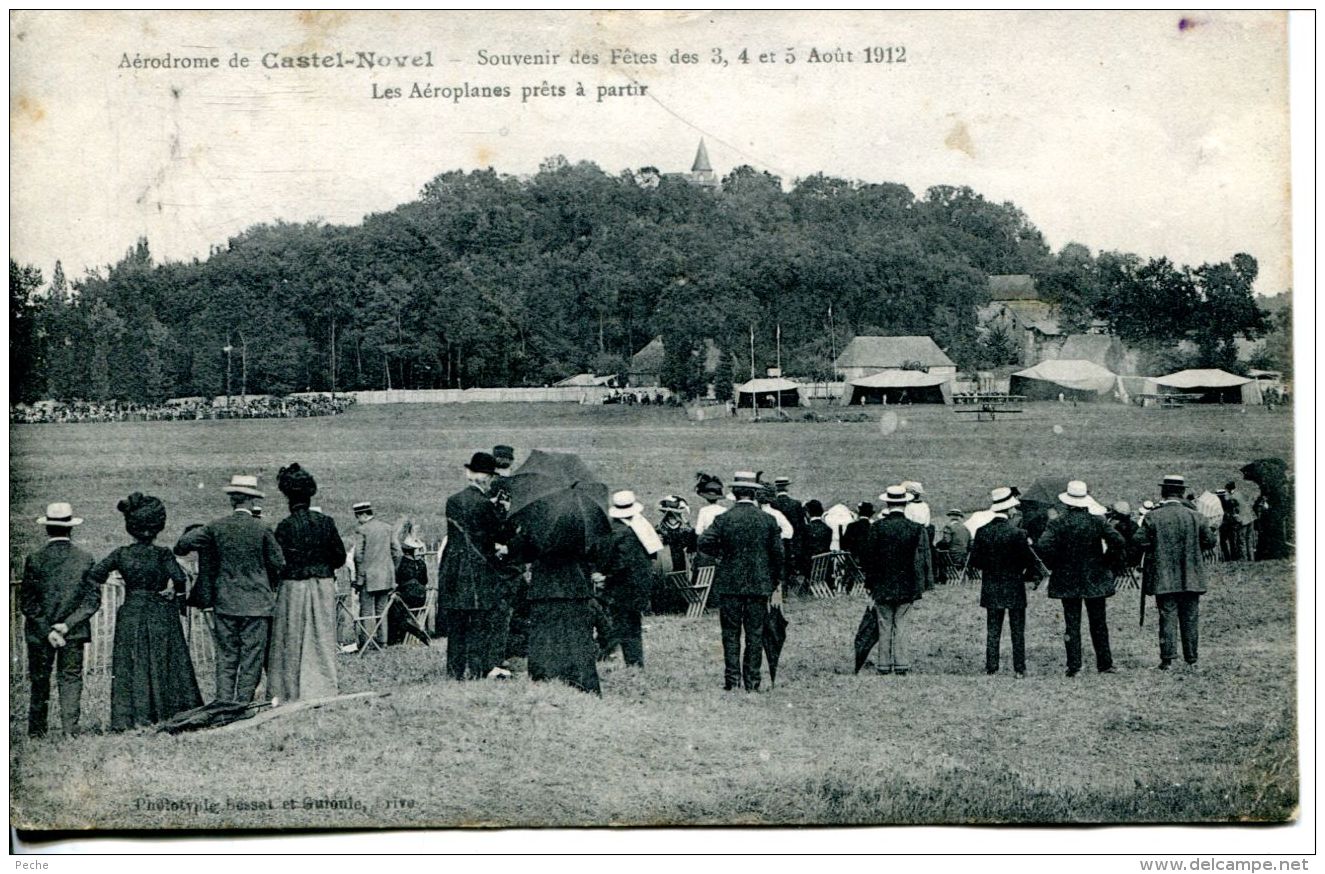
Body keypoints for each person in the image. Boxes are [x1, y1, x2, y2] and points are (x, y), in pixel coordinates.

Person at [88, 493, 202, 729]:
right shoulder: (162, 554)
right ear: (158, 526)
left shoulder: (121, 554)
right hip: (160, 612)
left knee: (133, 664)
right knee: (163, 661)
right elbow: (180, 579)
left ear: (130, 526)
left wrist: (117, 582)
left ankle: (131, 719)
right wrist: (171, 591)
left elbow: (96, 574)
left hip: (131, 611)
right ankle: (165, 712)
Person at [175, 475, 286, 704]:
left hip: (225, 602)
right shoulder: (262, 528)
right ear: (252, 500)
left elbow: (182, 545)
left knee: (226, 656)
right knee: (251, 658)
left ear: (231, 500)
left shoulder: (216, 527)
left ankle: (223, 703)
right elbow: (279, 564)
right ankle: (242, 703)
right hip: (257, 604)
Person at [697, 471, 783, 691]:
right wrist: (773, 580)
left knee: (730, 634)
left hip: (729, 583)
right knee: (755, 634)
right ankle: (752, 682)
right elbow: (778, 555)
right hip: (759, 584)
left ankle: (732, 680)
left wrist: (721, 555)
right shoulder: (768, 519)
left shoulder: (723, 519)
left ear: (734, 493)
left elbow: (704, 542)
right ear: (755, 493)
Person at [20, 503, 99, 737]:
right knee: (70, 678)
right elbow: (92, 600)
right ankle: (70, 730)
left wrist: (48, 630)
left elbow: (27, 602)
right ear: (70, 529)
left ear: (47, 529)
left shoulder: (34, 559)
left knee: (39, 679)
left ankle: (36, 731)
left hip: (40, 633)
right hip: (73, 632)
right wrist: (67, 625)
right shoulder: (84, 558)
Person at [269, 464, 346, 701]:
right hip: (322, 584)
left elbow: (277, 561)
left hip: (293, 586)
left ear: (287, 497)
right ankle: (321, 686)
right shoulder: (326, 522)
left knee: (291, 637)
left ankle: (290, 689)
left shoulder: (284, 526)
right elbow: (340, 557)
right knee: (321, 636)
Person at [1035, 480, 1124, 677]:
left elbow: (1042, 546)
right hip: (1095, 577)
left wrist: (1057, 562)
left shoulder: (1057, 523)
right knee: (1099, 622)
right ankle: (1105, 663)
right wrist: (1105, 562)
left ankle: (1074, 665)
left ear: (1067, 502)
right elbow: (1118, 542)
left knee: (1072, 623)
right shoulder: (1098, 521)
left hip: (1067, 578)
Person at [437, 452, 512, 680]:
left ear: (469, 474)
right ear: (488, 478)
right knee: (478, 621)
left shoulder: (453, 500)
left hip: (453, 567)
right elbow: (496, 536)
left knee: (457, 623)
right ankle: (476, 670)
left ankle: (455, 671)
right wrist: (503, 512)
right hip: (477, 569)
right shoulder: (484, 505)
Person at [1134, 475, 1217, 670]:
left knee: (1167, 616)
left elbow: (1139, 540)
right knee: (1190, 618)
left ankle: (1167, 660)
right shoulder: (1196, 516)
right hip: (1192, 576)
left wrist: (1155, 546)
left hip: (1163, 577)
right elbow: (1210, 541)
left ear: (1163, 493)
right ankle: (1192, 659)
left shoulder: (1153, 516)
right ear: (1181, 493)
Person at [860, 486, 933, 676]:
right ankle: (901, 663)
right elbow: (921, 559)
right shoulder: (915, 528)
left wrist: (870, 584)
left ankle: (883, 664)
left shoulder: (877, 527)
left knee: (884, 623)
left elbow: (868, 559)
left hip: (882, 584)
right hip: (907, 584)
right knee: (901, 624)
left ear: (887, 503)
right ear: (905, 502)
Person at [967, 488, 1039, 678]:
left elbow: (975, 561)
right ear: (1009, 510)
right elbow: (1028, 561)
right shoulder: (1018, 533)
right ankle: (1019, 668)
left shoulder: (982, 532)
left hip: (991, 584)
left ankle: (992, 666)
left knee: (993, 629)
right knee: (1017, 630)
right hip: (1014, 584)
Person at [597, 490, 661, 667]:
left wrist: (605, 574)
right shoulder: (640, 524)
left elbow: (620, 562)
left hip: (623, 585)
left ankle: (605, 654)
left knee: (620, 622)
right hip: (641, 583)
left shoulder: (619, 530)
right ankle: (634, 660)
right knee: (632, 623)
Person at [352, 501, 401, 650]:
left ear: (362, 515)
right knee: (382, 610)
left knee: (366, 611)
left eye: (358, 516)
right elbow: (398, 552)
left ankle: (366, 643)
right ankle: (383, 642)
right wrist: (392, 570)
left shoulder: (362, 530)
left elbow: (358, 556)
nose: (357, 520)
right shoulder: (388, 528)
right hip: (386, 577)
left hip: (368, 578)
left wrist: (359, 578)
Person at [388, 527, 430, 646]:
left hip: (407, 598)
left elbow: (398, 581)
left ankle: (396, 637)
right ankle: (413, 629)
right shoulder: (421, 563)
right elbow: (425, 580)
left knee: (392, 608)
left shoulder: (401, 563)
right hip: (421, 598)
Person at [771, 476, 807, 581]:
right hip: (793, 541)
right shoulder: (796, 504)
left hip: (777, 540)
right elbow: (801, 526)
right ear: (787, 488)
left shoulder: (773, 504)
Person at [938, 508, 972, 576]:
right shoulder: (966, 528)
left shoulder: (949, 527)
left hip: (952, 556)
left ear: (950, 517)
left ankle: (941, 578)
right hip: (964, 557)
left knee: (937, 554)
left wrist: (938, 545)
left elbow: (946, 541)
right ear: (959, 517)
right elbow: (970, 544)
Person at [840, 502, 874, 568]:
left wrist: (840, 532)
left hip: (853, 564)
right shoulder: (873, 527)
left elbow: (843, 545)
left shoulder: (851, 526)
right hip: (869, 565)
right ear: (871, 514)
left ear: (859, 512)